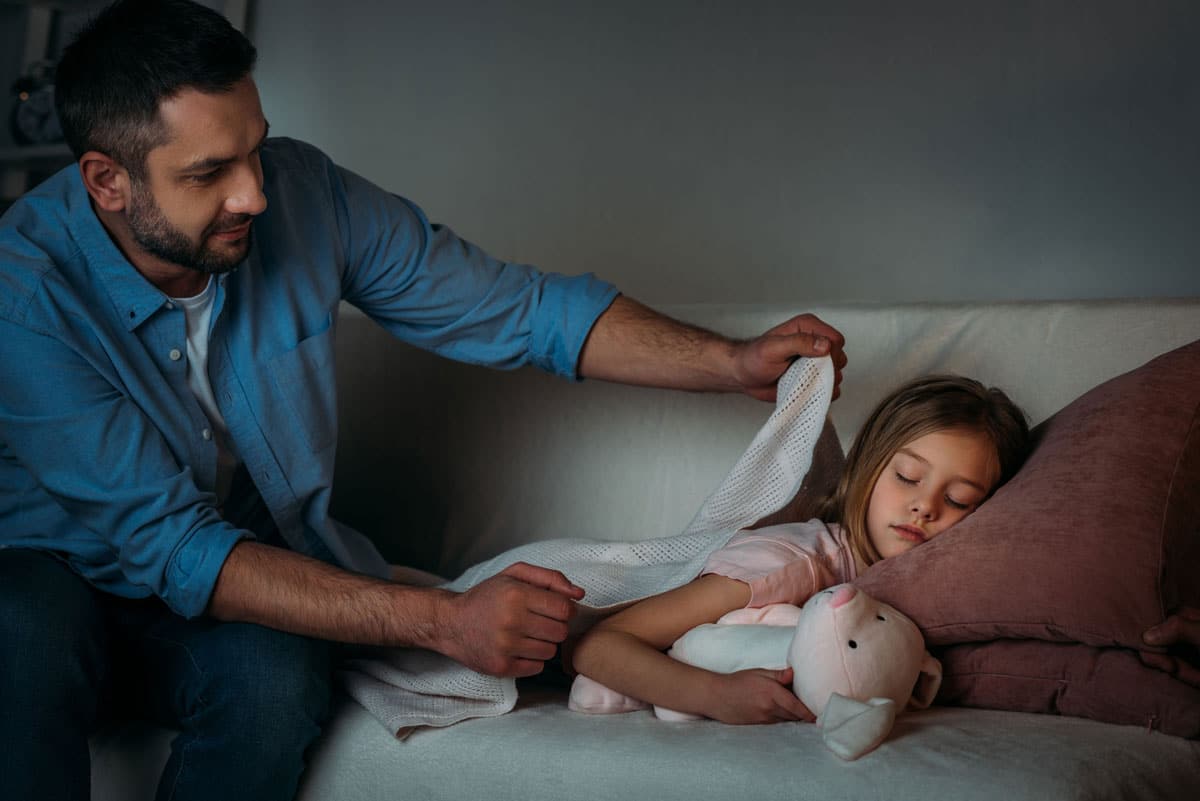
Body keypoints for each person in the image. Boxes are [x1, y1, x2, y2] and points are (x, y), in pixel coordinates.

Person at [0, 2, 848, 800]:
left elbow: (518, 309)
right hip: (53, 576)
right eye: (210, 172)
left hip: (234, 575)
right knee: (22, 627)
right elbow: (174, 545)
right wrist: (446, 620)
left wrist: (731, 360)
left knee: (275, 678)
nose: (254, 192)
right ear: (108, 181)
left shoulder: (304, 196)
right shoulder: (22, 290)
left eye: (254, 149)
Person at [571, 374, 1031, 724]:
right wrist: (714, 695)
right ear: (869, 466)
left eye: (958, 501)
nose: (924, 507)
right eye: (908, 477)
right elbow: (600, 645)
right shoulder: (792, 563)